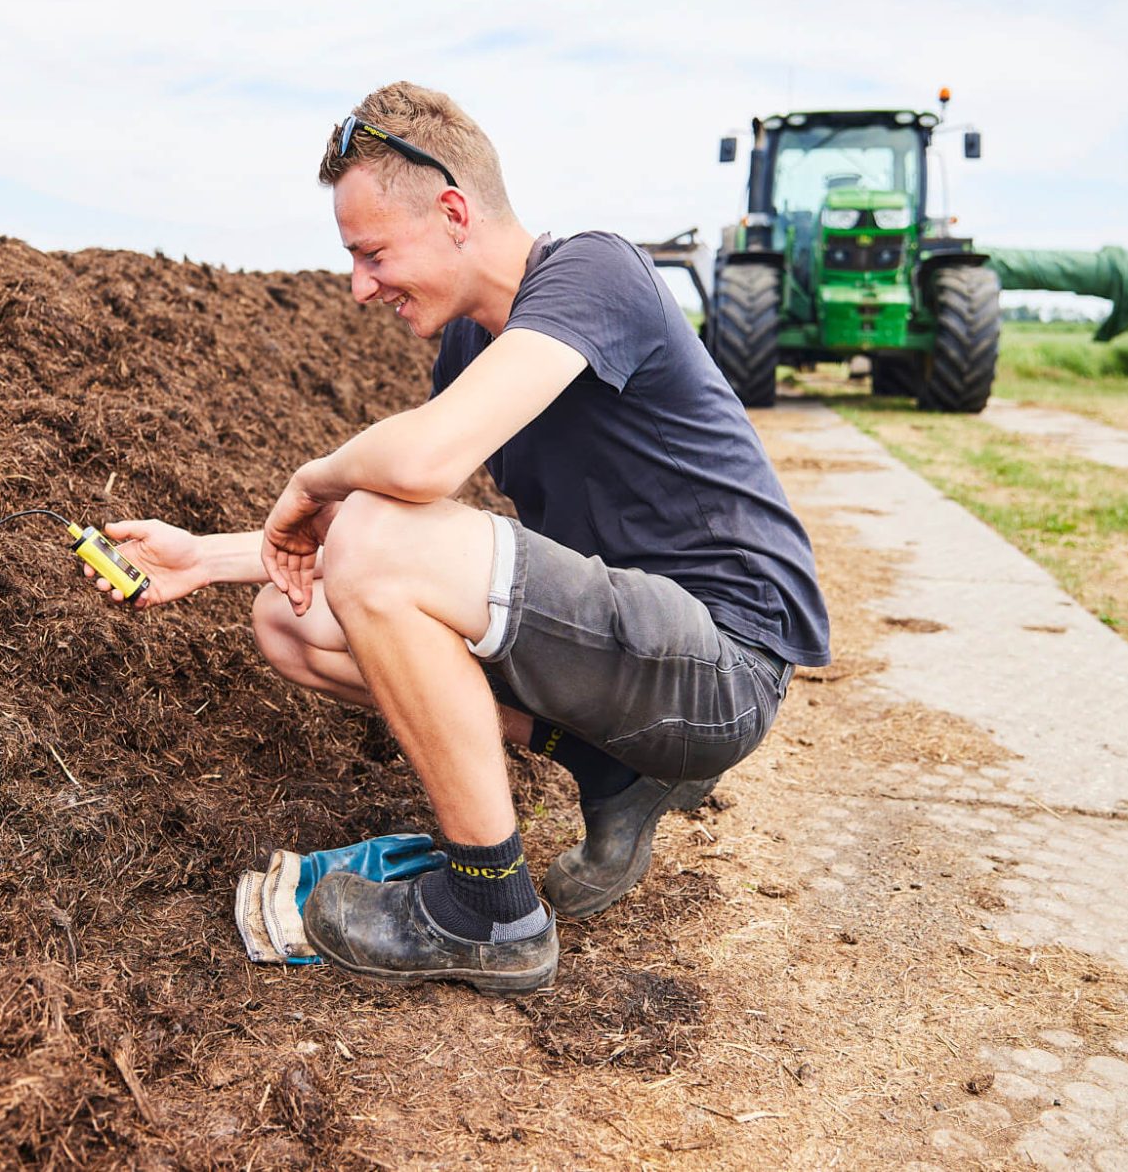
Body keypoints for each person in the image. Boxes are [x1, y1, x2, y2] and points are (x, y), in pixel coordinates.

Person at [86, 82, 830, 993]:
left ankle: (490, 911)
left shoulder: (595, 272)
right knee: (292, 624)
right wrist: (206, 559)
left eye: (370, 253)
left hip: (725, 664)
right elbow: (424, 556)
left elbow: (415, 481)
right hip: (638, 657)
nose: (359, 288)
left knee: (369, 528)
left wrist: (312, 481)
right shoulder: (469, 354)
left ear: (451, 211)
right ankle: (607, 770)